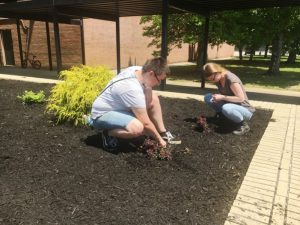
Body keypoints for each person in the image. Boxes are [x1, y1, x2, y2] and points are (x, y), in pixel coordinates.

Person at [90, 57, 177, 151]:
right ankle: (108, 133)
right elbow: (146, 123)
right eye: (159, 80)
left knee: (154, 98)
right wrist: (159, 141)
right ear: (151, 73)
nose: (159, 83)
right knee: (137, 128)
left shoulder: (139, 70)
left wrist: (148, 88)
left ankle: (163, 132)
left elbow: (148, 102)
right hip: (101, 114)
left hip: (119, 108)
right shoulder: (132, 89)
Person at [202, 62, 255, 135]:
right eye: (210, 80)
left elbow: (240, 98)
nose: (213, 81)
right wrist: (219, 97)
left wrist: (222, 97)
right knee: (208, 97)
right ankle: (221, 116)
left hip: (244, 109)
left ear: (217, 72)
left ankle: (243, 125)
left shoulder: (231, 79)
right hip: (230, 104)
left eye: (213, 78)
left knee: (226, 108)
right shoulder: (219, 79)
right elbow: (226, 94)